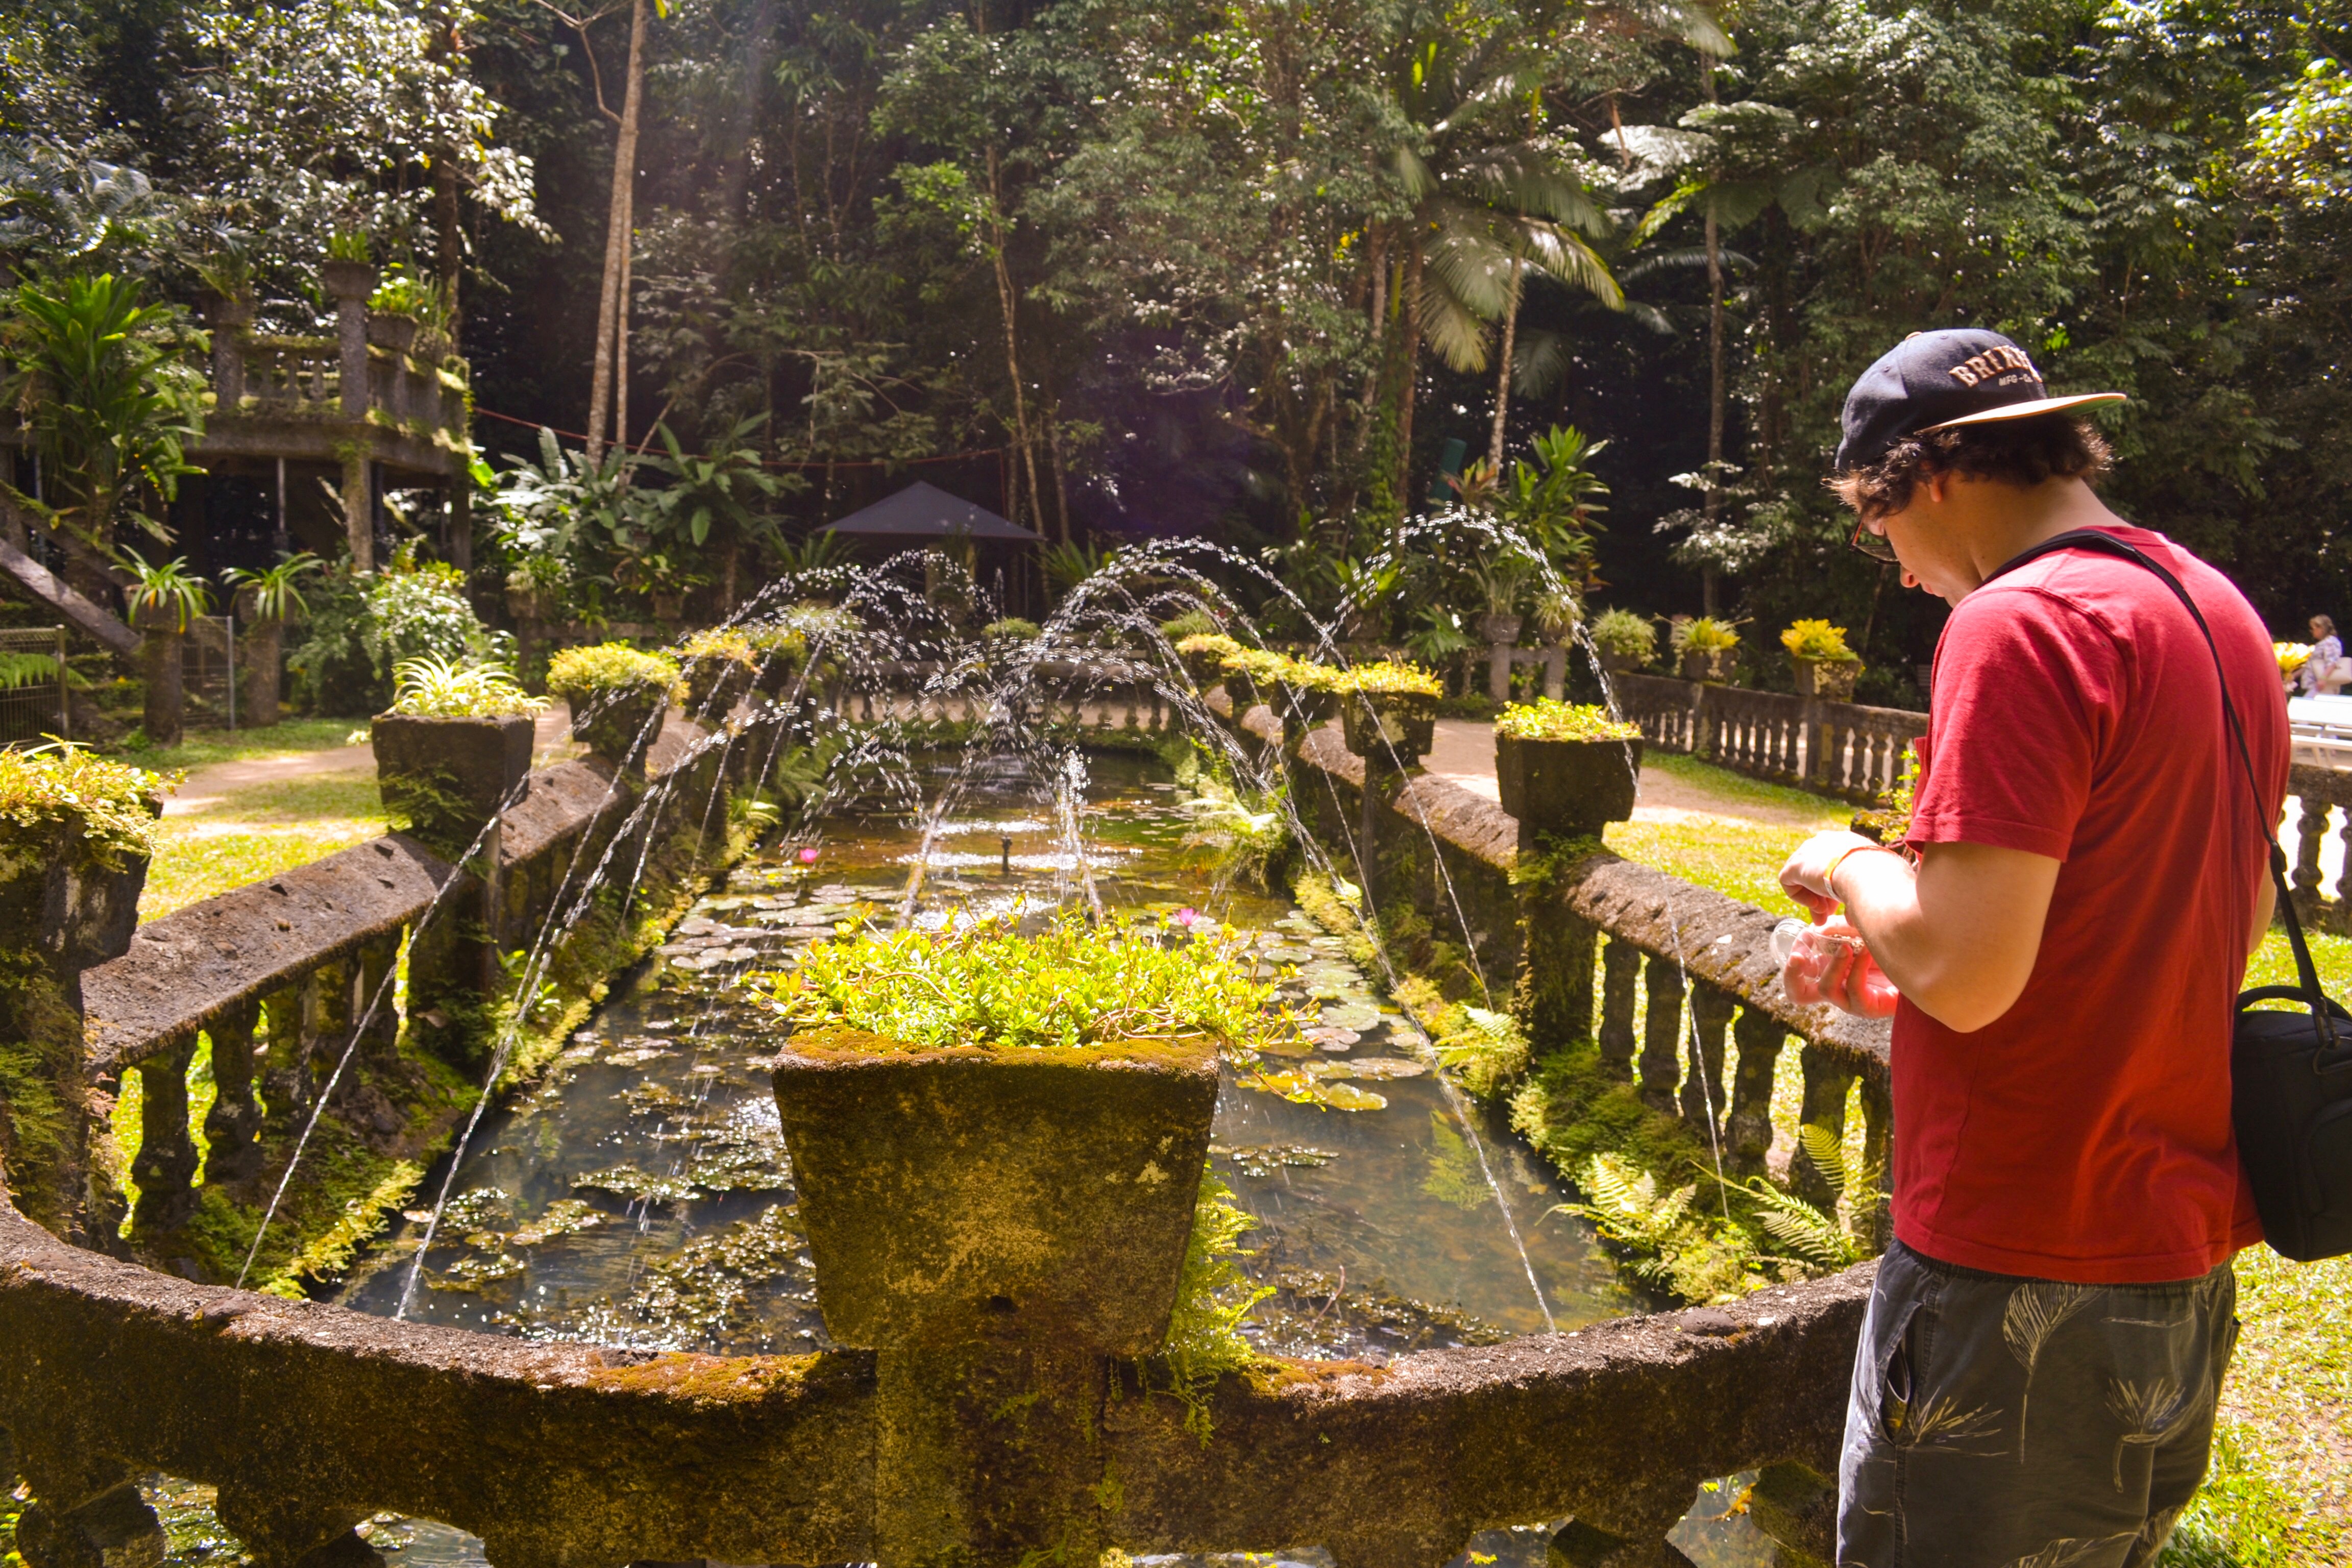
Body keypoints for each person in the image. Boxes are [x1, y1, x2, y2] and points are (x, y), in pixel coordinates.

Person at [1778, 328, 2287, 1567]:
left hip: (2015, 1253)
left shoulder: (2021, 621)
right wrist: (1904, 965)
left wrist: (1844, 861)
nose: (1899, 572)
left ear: (1931, 477)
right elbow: (2198, 919)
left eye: (1875, 524)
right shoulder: (2210, 607)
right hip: (2171, 1257)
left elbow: (1966, 973)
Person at [2300, 614, 2344, 696]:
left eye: (2313, 628)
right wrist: (2293, 675)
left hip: (2322, 686)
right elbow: (2310, 665)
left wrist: (2323, 679)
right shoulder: (2323, 643)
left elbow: (2333, 662)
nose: (2311, 631)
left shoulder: (2330, 642)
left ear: (2321, 628)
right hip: (2316, 685)